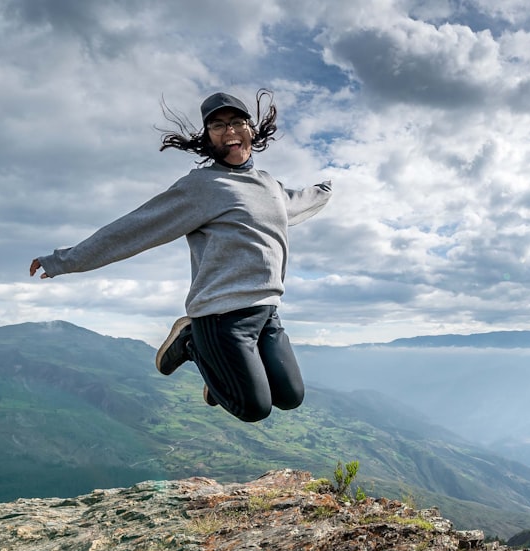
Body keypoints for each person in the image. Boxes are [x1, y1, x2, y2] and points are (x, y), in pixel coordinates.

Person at [30, 89, 332, 422]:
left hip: (267, 312)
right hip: (222, 317)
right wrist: (64, 261)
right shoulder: (203, 186)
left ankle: (222, 373)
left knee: (290, 398)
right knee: (253, 409)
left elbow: (299, 201)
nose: (229, 131)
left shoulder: (268, 185)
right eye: (217, 126)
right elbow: (135, 227)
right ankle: (192, 342)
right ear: (208, 138)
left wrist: (332, 185)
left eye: (236, 122)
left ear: (250, 129)